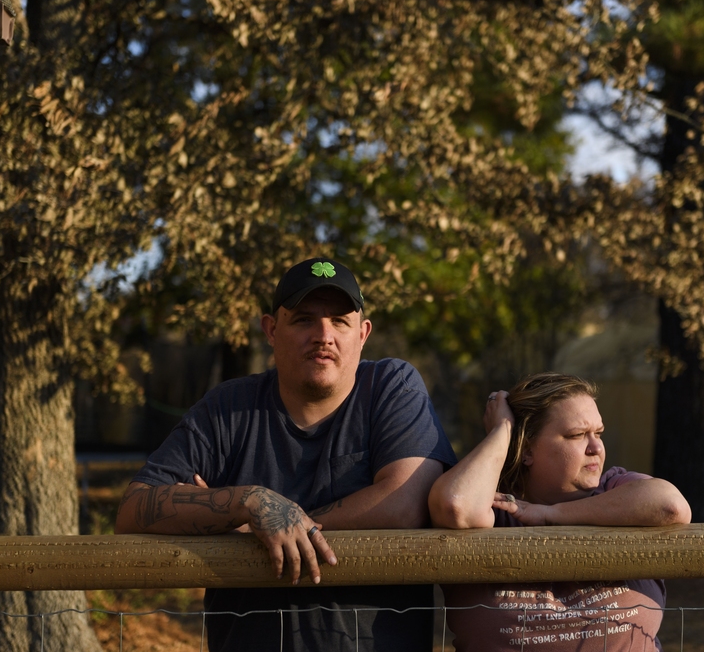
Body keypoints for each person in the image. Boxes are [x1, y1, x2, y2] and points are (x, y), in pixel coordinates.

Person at [116, 257, 457, 652]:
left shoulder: (390, 388)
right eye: (304, 320)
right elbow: (133, 507)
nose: (323, 335)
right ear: (271, 330)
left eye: (340, 321)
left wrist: (268, 529)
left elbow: (404, 503)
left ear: (362, 334)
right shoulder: (228, 408)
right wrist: (250, 502)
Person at [428, 373, 691, 652]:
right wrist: (502, 429)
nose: (596, 448)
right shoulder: (494, 505)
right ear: (527, 449)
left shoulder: (615, 488)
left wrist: (552, 514)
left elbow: (669, 506)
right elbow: (456, 506)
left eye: (598, 433)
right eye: (577, 435)